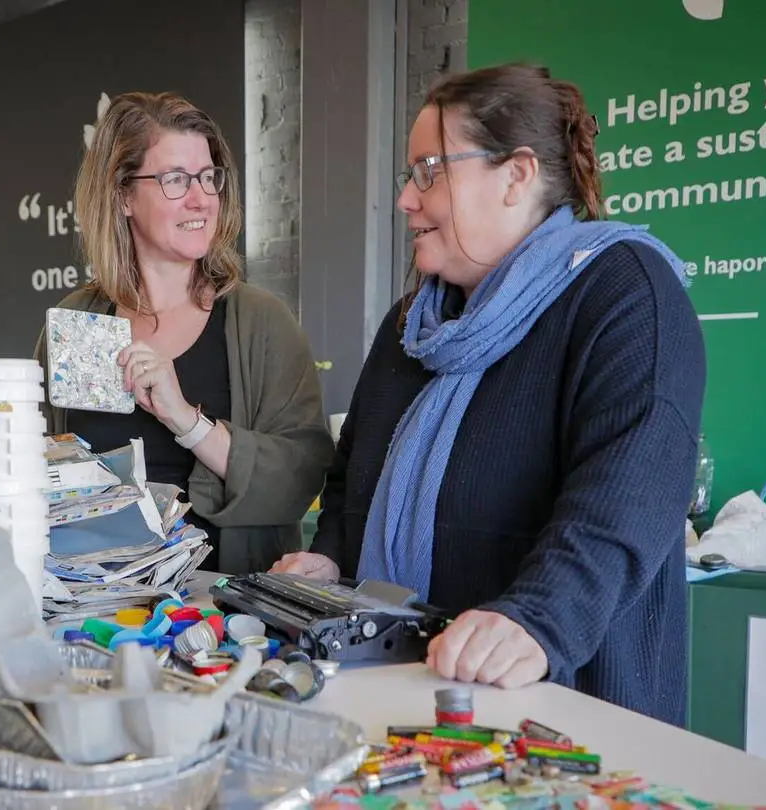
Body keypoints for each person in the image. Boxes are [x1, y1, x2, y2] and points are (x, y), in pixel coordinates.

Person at [271, 64, 707, 726]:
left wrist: (536, 620)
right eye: (408, 175)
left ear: (517, 174)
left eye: (430, 171)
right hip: (407, 692)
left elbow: (630, 495)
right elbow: (352, 473)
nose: (406, 201)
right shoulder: (411, 326)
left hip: (568, 705)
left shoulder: (624, 292)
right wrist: (330, 554)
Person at [36, 91, 333, 576]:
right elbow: (47, 476)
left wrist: (187, 422)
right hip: (96, 613)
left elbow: (298, 484)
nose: (200, 198)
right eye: (175, 179)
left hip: (223, 621)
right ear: (123, 195)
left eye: (208, 177)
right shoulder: (76, 322)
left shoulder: (261, 323)